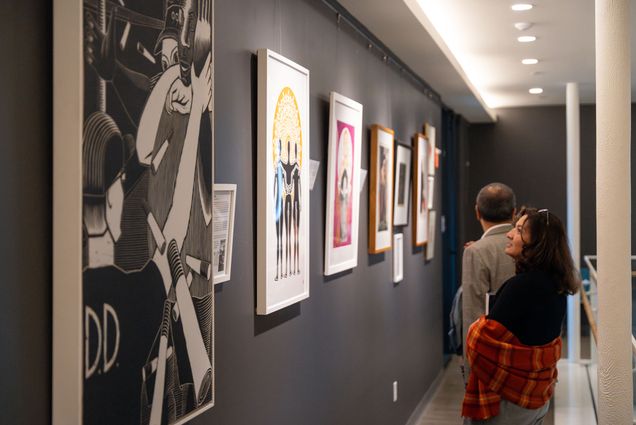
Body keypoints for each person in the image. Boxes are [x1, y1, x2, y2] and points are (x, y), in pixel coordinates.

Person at [462, 207, 580, 424]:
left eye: (518, 230)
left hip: (508, 404)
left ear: (535, 242)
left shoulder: (521, 286)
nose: (509, 234)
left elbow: (480, 341)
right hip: (537, 397)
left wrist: (475, 328)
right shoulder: (556, 283)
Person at [461, 183, 516, 366]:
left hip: (491, 358)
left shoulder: (476, 251)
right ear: (514, 212)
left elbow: (472, 314)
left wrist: (471, 373)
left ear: (477, 212)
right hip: (529, 356)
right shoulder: (532, 244)